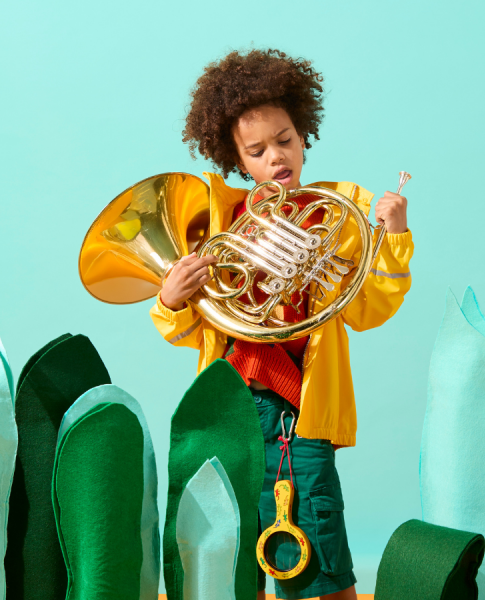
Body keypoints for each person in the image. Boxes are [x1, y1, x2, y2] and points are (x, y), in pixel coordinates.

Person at [151, 49, 414, 600]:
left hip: (299, 406)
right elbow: (199, 329)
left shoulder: (339, 212)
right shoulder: (218, 221)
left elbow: (366, 309)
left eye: (285, 140)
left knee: (313, 545)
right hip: (230, 401)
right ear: (236, 159)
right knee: (232, 542)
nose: (276, 156)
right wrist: (171, 300)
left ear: (304, 136)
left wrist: (393, 237)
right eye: (257, 151)